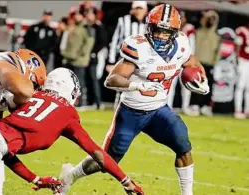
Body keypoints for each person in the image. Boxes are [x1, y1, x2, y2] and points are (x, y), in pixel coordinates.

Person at [57, 4, 210, 195]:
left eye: (166, 31)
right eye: (157, 30)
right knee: (106, 161)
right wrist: (136, 85)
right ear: (149, 27)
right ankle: (69, 176)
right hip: (130, 113)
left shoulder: (181, 44)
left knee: (183, 144)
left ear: (174, 32)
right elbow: (111, 79)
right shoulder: (139, 46)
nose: (161, 36)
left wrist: (200, 78)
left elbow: (192, 62)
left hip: (159, 110)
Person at [0, 68, 144, 195]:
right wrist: (125, 180)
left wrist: (35, 178)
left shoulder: (32, 96)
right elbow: (98, 154)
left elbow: (4, 149)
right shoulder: (68, 113)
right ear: (71, 90)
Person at [107, 1, 148, 110]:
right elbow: (115, 41)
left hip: (143, 62)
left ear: (145, 10)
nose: (139, 11)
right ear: (133, 9)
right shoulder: (123, 21)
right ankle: (118, 112)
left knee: (140, 88)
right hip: (125, 60)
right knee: (122, 87)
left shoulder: (149, 23)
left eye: (141, 8)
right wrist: (111, 61)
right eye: (137, 8)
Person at [61, 8, 95, 107]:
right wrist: (65, 53)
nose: (76, 16)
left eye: (79, 14)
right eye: (75, 15)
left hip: (79, 60)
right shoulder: (72, 27)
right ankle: (70, 101)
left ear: (82, 16)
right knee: (69, 82)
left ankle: (80, 102)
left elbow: (89, 43)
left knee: (79, 82)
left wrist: (79, 55)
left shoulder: (87, 28)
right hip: (69, 58)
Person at [191, 10, 221, 116]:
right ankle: (194, 105)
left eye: (212, 19)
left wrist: (215, 63)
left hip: (210, 64)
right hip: (198, 63)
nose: (210, 21)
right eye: (208, 18)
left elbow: (218, 51)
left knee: (208, 85)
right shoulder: (197, 32)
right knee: (195, 84)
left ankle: (206, 106)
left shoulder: (217, 36)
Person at [167, 10, 196, 116]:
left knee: (187, 84)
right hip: (173, 60)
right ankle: (168, 106)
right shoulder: (170, 28)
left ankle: (185, 106)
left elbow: (192, 45)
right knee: (170, 84)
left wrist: (190, 60)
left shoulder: (189, 29)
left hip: (185, 60)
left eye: (181, 18)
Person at [84, 7, 107, 109]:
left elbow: (102, 42)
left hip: (95, 56)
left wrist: (93, 52)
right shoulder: (86, 26)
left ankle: (98, 102)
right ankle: (90, 101)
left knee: (94, 79)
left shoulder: (98, 27)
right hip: (86, 57)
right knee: (87, 79)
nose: (88, 16)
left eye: (89, 13)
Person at [234, 24, 249, 119]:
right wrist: (237, 59)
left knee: (248, 87)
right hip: (243, 60)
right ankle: (238, 110)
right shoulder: (242, 30)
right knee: (240, 86)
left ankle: (247, 110)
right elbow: (238, 45)